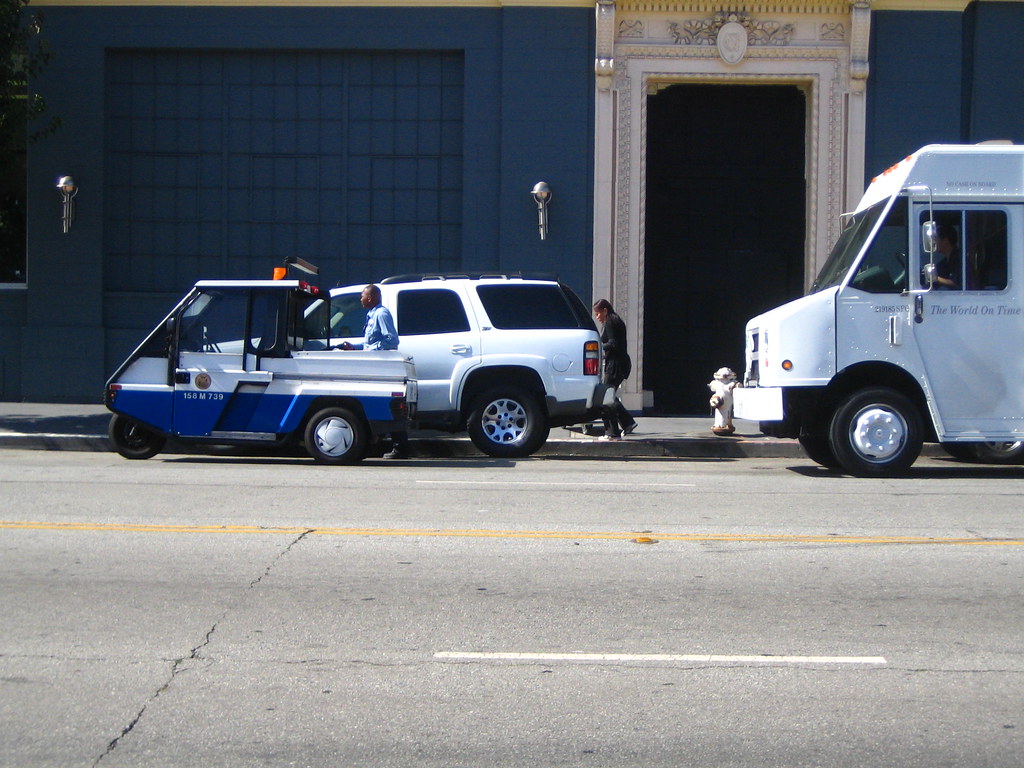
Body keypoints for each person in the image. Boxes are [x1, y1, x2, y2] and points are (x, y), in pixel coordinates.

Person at [338, 284, 409, 459]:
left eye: (362, 296)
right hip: (374, 365)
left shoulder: (381, 314)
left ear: (371, 297)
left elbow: (392, 340)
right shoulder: (372, 315)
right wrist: (354, 348)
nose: (360, 299)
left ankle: (401, 448)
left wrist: (371, 350)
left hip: (382, 368)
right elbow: (371, 342)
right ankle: (395, 446)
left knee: (388, 406)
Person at [592, 298, 637, 441]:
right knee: (609, 395)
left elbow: (612, 343)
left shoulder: (610, 322)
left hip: (615, 365)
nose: (597, 317)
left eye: (598, 314)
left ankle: (612, 432)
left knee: (606, 396)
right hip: (620, 363)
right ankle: (627, 423)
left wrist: (597, 348)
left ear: (605, 310)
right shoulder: (615, 320)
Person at [930, 224, 960, 290]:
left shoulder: (959, 259)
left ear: (945, 241)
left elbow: (957, 284)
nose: (933, 243)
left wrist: (934, 278)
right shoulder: (945, 263)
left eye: (936, 239)